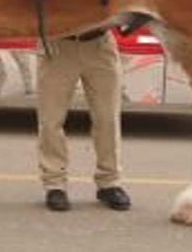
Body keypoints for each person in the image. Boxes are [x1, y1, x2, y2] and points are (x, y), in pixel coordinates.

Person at [36, 28, 130, 212]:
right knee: (51, 121)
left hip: (100, 44)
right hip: (58, 44)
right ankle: (55, 185)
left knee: (107, 118)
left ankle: (109, 183)